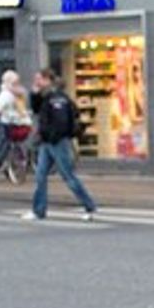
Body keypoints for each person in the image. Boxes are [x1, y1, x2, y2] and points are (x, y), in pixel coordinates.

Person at [22, 67, 99, 222]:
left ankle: (89, 206)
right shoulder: (47, 96)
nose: (36, 82)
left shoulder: (58, 99)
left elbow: (61, 122)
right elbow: (36, 108)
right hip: (47, 142)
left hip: (57, 142)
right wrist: (34, 93)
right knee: (40, 175)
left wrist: (51, 136)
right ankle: (38, 210)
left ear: (47, 80)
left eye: (39, 79)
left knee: (68, 176)